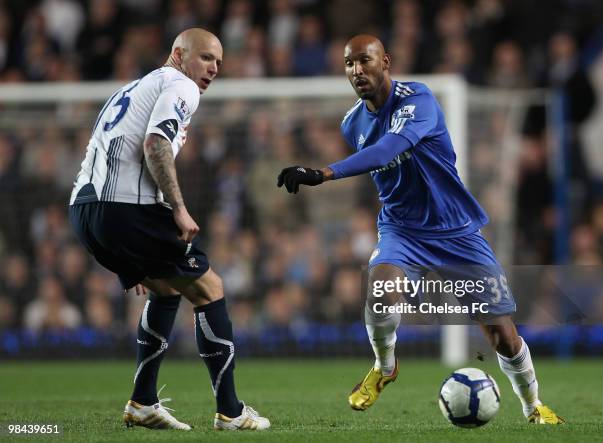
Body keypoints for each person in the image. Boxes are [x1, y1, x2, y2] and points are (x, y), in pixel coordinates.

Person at [277, 34, 564, 424]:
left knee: (502, 337)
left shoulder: (419, 99)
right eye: (349, 63)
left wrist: (323, 173)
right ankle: (385, 366)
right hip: (402, 231)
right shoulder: (352, 123)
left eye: (365, 60)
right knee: (381, 292)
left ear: (386, 61)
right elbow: (378, 168)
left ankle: (534, 408)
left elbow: (388, 150)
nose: (357, 70)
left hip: (456, 232)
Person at [69, 28, 270, 431]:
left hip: (85, 210)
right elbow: (155, 144)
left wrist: (127, 245)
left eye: (219, 63)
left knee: (165, 288)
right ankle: (230, 412)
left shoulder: (132, 88)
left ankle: (143, 402)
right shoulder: (181, 86)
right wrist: (177, 208)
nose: (213, 69)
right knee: (209, 288)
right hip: (125, 209)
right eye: (206, 58)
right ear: (178, 54)